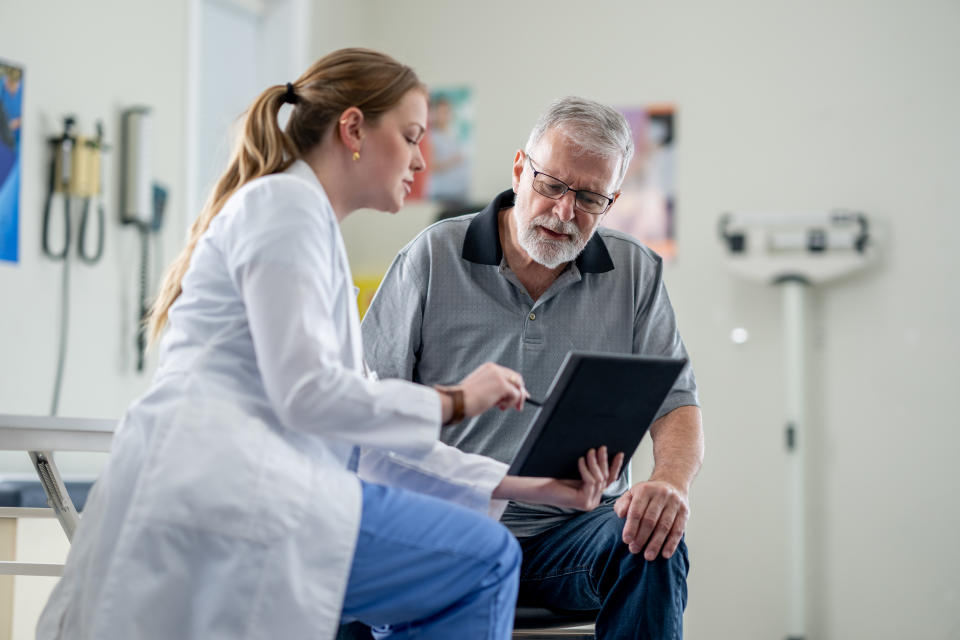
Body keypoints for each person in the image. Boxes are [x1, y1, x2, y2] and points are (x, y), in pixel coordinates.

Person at [36, 52, 621, 640]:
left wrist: (523, 485)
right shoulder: (282, 209)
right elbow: (308, 395)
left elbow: (362, 428)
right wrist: (455, 401)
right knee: (483, 559)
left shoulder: (306, 223)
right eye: (412, 136)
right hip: (217, 495)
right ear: (353, 130)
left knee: (479, 559)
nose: (421, 158)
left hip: (258, 497)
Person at [362, 96, 704, 639]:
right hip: (450, 526)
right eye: (552, 186)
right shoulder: (431, 257)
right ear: (520, 170)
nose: (565, 212)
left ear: (611, 200)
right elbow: (369, 413)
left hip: (570, 535)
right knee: (347, 583)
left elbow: (676, 403)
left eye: (590, 197)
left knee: (654, 541)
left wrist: (668, 484)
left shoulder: (634, 272)